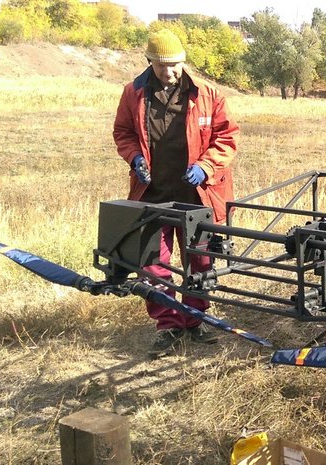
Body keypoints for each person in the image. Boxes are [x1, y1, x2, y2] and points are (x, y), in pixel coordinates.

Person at [112, 29, 240, 358]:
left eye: (175, 65)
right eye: (161, 66)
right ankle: (168, 325)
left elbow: (226, 138)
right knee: (154, 264)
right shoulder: (133, 93)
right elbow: (123, 132)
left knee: (200, 260)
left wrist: (206, 167)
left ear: (184, 62)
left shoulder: (208, 94)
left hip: (197, 196)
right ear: (149, 62)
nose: (169, 72)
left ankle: (194, 320)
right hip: (153, 193)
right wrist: (135, 157)